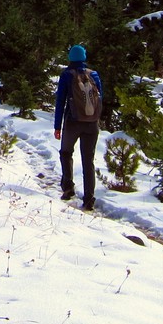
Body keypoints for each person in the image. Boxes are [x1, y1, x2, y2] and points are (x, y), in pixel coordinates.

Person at [53, 44, 103, 210]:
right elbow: (100, 98)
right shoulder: (93, 74)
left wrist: (57, 126)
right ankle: (89, 199)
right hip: (92, 123)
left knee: (66, 152)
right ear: (84, 57)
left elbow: (60, 101)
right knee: (88, 161)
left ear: (70, 58)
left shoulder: (67, 75)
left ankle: (68, 188)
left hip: (73, 122)